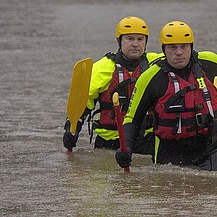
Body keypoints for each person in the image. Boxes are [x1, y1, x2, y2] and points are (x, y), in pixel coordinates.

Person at [114, 21, 217, 171]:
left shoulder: (208, 61)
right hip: (169, 152)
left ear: (191, 46)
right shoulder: (150, 77)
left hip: (209, 148)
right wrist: (126, 148)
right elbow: (132, 119)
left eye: (184, 46)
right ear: (164, 49)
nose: (179, 52)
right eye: (173, 47)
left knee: (213, 188)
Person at [62, 16, 160, 154]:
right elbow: (84, 103)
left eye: (140, 39)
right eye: (130, 39)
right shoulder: (102, 68)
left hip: (146, 140)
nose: (135, 44)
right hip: (110, 142)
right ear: (119, 41)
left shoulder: (156, 64)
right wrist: (71, 129)